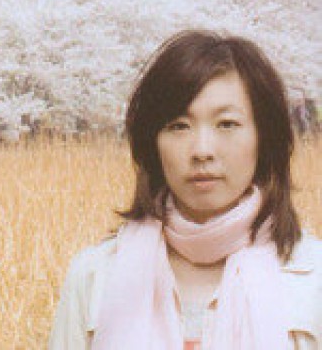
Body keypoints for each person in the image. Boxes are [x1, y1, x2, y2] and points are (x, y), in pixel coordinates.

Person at [50, 30, 321, 349]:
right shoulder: (95, 276)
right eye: (179, 126)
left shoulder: (314, 278)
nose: (202, 150)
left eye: (227, 124)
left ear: (264, 138)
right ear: (153, 144)